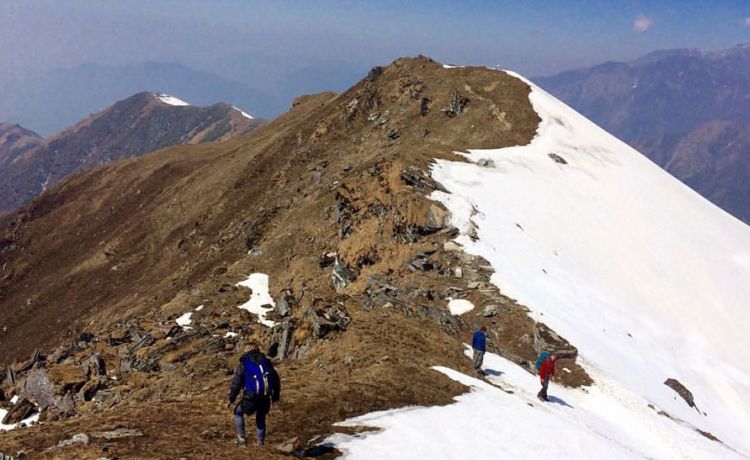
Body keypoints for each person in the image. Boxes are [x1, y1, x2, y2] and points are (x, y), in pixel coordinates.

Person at [228, 341, 281, 446]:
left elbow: (236, 383)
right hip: (265, 396)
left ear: (246, 350)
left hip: (250, 396)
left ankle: (241, 438)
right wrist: (275, 396)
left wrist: (231, 399)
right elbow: (276, 379)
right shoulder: (266, 362)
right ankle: (260, 443)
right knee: (261, 417)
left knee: (238, 412)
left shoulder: (244, 363)